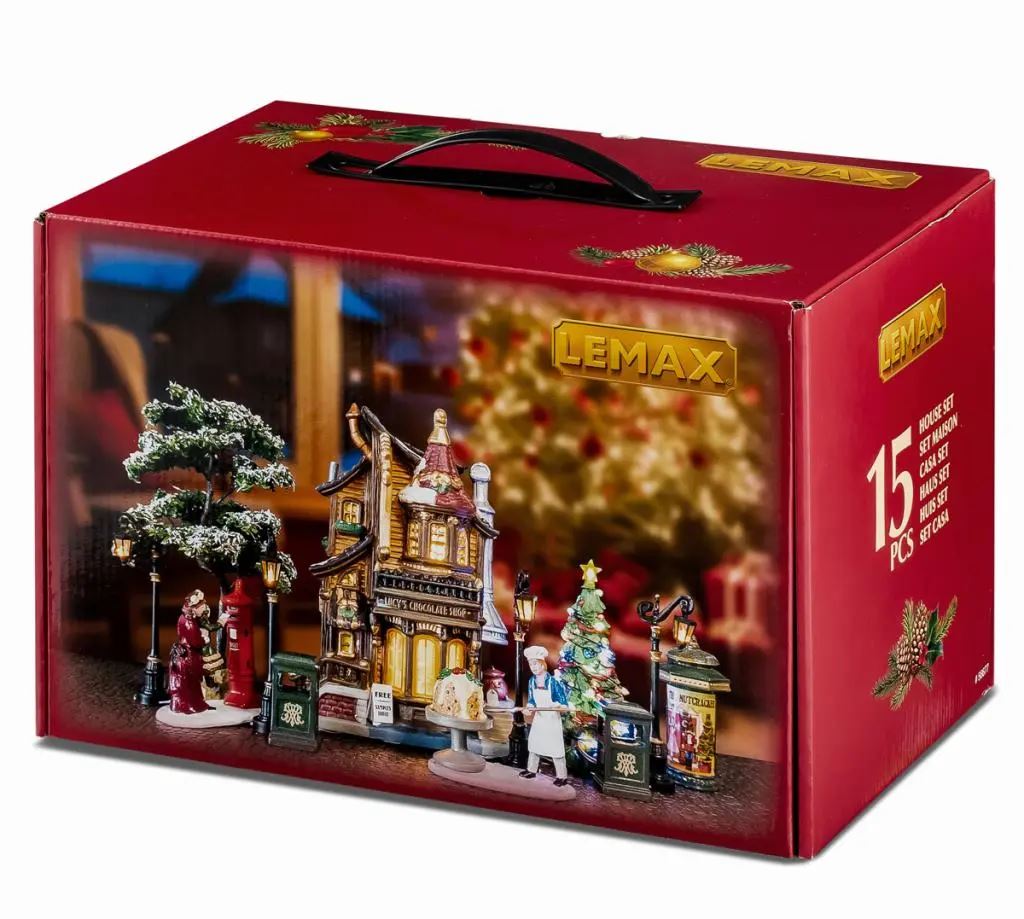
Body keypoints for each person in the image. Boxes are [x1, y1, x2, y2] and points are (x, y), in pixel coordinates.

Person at [520, 646, 571, 786]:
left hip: (552, 719)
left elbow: (563, 703)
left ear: (543, 664)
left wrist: (558, 706)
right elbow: (532, 700)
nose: (534, 668)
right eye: (531, 665)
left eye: (536, 664)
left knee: (555, 748)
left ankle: (562, 776)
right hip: (540, 718)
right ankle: (531, 770)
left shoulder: (553, 682)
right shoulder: (532, 681)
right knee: (534, 745)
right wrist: (529, 709)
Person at [168, 591, 212, 714]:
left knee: (187, 683)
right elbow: (196, 642)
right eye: (202, 607)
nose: (204, 609)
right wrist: (205, 638)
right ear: (195, 608)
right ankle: (191, 705)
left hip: (183, 655)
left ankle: (183, 704)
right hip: (189, 656)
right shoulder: (190, 623)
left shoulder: (183, 618)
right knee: (190, 683)